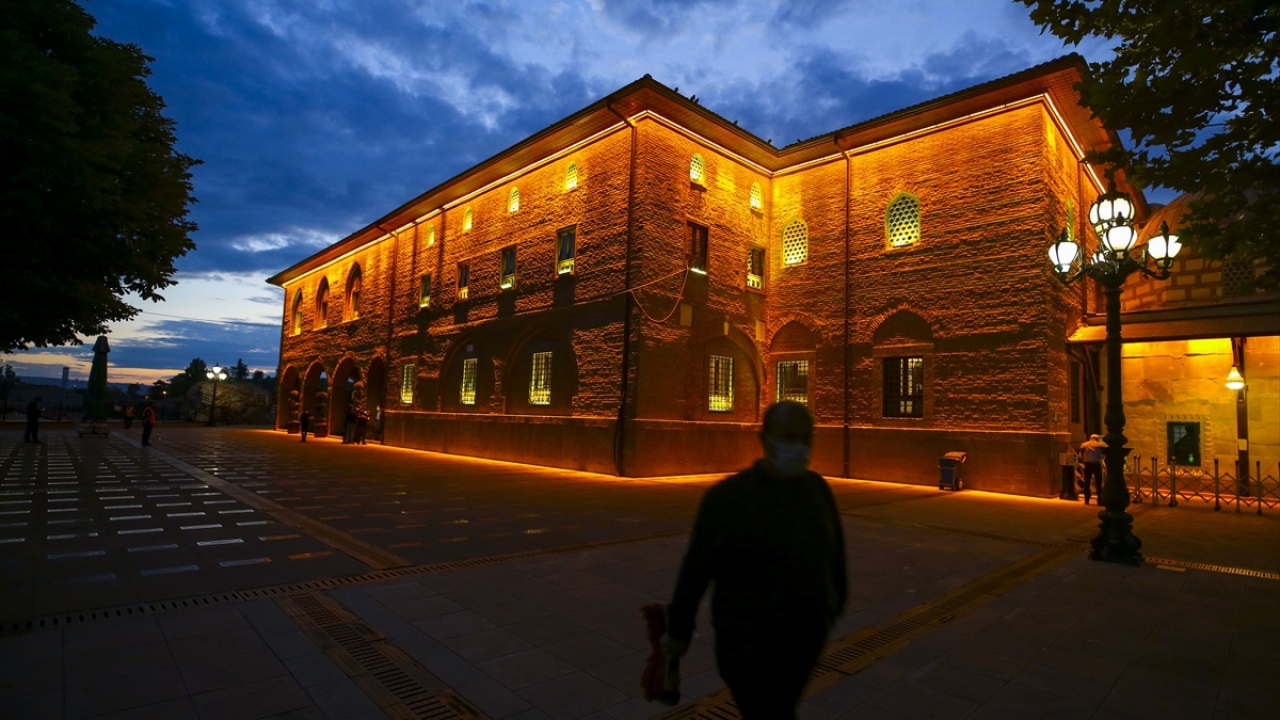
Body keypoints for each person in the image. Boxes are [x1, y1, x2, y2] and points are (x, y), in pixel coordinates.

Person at [661, 401, 846, 719]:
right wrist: (678, 630)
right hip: (747, 645)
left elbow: (835, 556)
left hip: (803, 640)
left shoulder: (816, 490)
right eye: (789, 437)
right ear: (765, 440)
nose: (799, 447)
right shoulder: (729, 498)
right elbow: (696, 569)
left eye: (806, 438)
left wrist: (828, 611)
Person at [1080, 433, 1105, 505]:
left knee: (1087, 482)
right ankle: (1099, 500)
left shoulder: (1084, 445)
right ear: (1097, 439)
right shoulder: (1100, 445)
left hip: (1088, 464)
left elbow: (1081, 454)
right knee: (1098, 483)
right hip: (1096, 464)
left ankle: (1086, 500)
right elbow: (1102, 456)